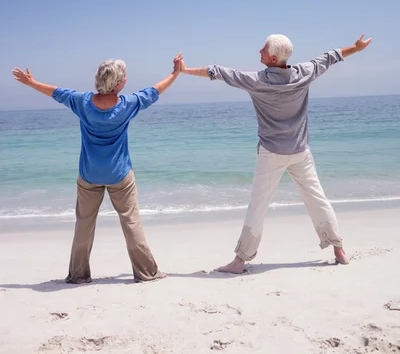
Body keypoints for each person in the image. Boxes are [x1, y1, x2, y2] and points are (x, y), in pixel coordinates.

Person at [180, 34, 372, 273]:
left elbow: (218, 72)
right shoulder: (304, 72)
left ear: (272, 58)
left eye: (264, 49)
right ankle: (338, 249)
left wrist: (184, 71)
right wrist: (356, 48)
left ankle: (240, 261)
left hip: (271, 154)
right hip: (300, 151)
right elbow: (331, 57)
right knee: (317, 199)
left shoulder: (257, 81)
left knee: (257, 206)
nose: (259, 50)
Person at [12, 53, 183, 283]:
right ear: (119, 83)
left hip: (89, 174)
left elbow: (54, 92)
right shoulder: (128, 105)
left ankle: (79, 275)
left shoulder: (81, 102)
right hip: (119, 175)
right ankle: (147, 273)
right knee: (131, 222)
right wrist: (175, 72)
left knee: (84, 224)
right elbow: (155, 90)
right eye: (124, 78)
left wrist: (30, 82)